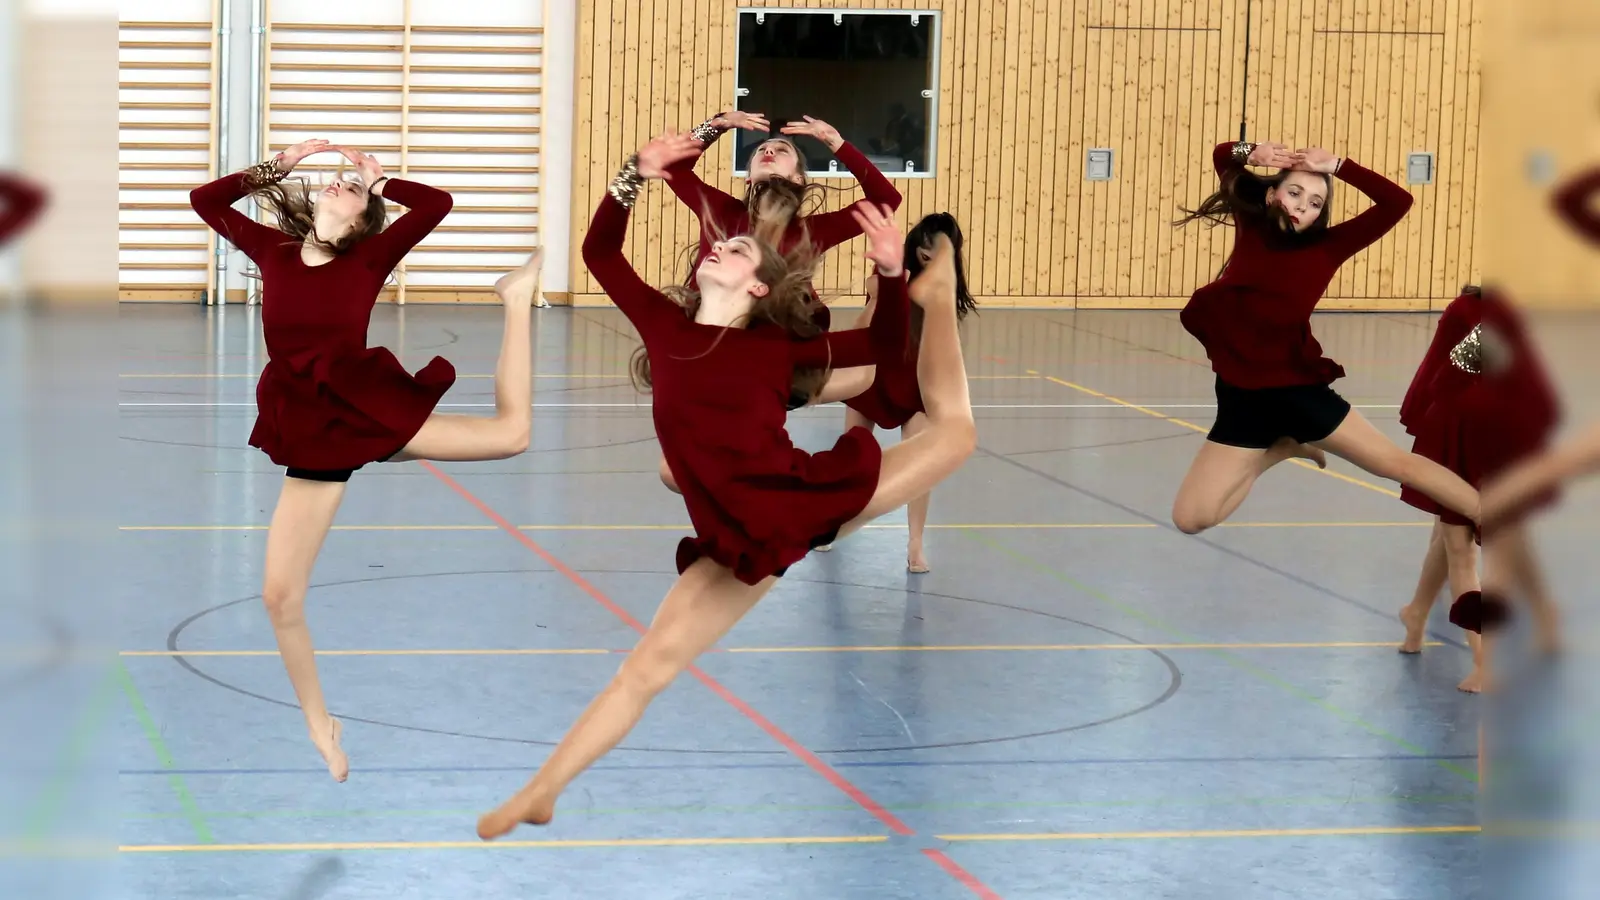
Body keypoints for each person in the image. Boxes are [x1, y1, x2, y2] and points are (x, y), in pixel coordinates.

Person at [476, 132, 976, 839]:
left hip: (804, 499)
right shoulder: (662, 322)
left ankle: (941, 277)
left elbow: (884, 350)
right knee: (646, 668)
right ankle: (543, 790)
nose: (722, 247)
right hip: (735, 543)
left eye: (739, 251)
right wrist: (634, 174)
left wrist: (896, 279)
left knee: (955, 434)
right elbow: (597, 255)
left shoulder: (779, 348)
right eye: (722, 245)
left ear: (759, 286)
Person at [190, 138, 542, 781]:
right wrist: (280, 165)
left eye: (350, 189)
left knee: (512, 435)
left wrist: (382, 184)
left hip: (362, 411)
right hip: (312, 426)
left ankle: (516, 302)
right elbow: (205, 199)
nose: (338, 185)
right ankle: (319, 724)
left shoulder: (369, 256)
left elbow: (437, 203)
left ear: (363, 218)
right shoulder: (271, 249)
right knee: (279, 596)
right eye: (335, 182)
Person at [1169, 140, 1480, 532]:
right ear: (1271, 194)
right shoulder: (1252, 226)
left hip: (1296, 393)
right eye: (1295, 192)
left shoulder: (1330, 246)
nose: (1302, 206)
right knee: (1191, 518)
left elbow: (1397, 202)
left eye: (1315, 202)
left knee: (1395, 465)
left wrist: (1338, 165)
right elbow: (1221, 154)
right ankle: (1280, 449)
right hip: (1238, 395)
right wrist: (1252, 153)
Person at [819, 212, 978, 572]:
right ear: (914, 244)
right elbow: (860, 332)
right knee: (850, 454)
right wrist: (877, 298)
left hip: (915, 382)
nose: (928, 250)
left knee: (921, 466)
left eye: (938, 244)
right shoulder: (888, 275)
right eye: (924, 241)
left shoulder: (944, 287)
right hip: (873, 377)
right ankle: (835, 525)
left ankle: (916, 544)